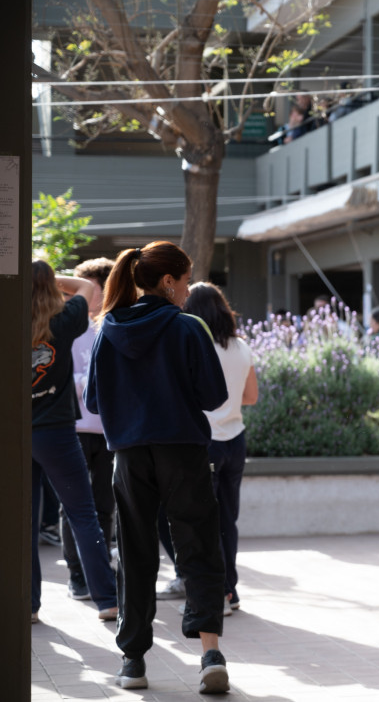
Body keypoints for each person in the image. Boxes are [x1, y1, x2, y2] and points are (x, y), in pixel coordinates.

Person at [85, 241, 231, 694]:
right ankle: (210, 654)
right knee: (199, 545)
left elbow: (92, 401)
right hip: (183, 451)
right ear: (168, 281)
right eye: (185, 281)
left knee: (134, 551)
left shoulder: (108, 329)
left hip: (128, 455)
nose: (188, 291)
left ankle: (133, 662)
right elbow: (214, 397)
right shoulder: (189, 328)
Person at [30, 261, 119, 624]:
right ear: (53, 288)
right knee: (84, 515)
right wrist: (48, 277)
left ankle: (29, 606)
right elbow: (88, 287)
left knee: (24, 525)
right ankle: (107, 600)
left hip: (19, 431)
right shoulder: (64, 320)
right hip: (57, 432)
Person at [185, 282, 259, 615]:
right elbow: (251, 397)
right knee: (228, 519)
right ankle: (232, 589)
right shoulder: (242, 347)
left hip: (206, 442)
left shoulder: (195, 346)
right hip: (236, 439)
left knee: (205, 522)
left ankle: (221, 593)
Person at [62, 257, 117, 603]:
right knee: (74, 505)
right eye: (98, 288)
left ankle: (99, 568)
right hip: (75, 428)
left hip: (109, 431)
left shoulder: (111, 327)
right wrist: (88, 382)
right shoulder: (68, 326)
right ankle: (76, 574)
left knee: (104, 505)